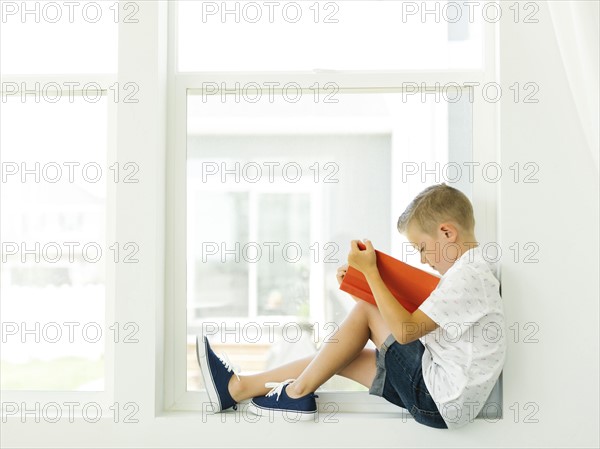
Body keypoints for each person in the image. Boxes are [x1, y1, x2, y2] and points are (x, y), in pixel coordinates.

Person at [196, 183, 507, 429]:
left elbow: (405, 330)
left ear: (447, 232)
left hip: (437, 397)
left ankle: (295, 394)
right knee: (342, 355)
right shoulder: (471, 274)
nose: (423, 259)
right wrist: (365, 289)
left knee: (366, 314)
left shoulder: (468, 276)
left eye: (422, 248)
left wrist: (372, 274)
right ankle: (239, 388)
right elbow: (410, 326)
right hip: (440, 398)